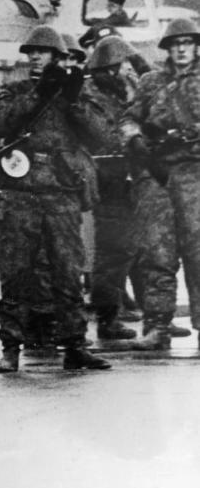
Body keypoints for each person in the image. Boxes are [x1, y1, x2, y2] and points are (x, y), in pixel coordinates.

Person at [0, 25, 113, 373]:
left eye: (42, 52)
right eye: (32, 53)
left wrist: (71, 101)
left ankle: (74, 345)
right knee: (15, 272)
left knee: (68, 273)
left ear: (58, 57)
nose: (35, 58)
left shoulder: (77, 92)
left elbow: (102, 135)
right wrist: (37, 95)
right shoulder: (17, 90)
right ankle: (10, 347)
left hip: (61, 194)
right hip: (21, 193)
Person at [121, 17, 200, 349]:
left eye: (187, 43)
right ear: (167, 49)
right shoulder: (151, 81)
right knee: (156, 252)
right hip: (155, 174)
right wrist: (135, 139)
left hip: (194, 173)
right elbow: (128, 117)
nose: (181, 49)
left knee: (198, 252)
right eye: (175, 44)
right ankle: (157, 326)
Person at [83, 35, 141, 341]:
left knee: (132, 249)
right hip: (109, 184)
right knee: (112, 252)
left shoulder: (118, 94)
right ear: (111, 68)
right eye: (125, 65)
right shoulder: (93, 97)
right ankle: (107, 316)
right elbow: (108, 139)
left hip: (127, 182)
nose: (130, 70)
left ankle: (120, 310)